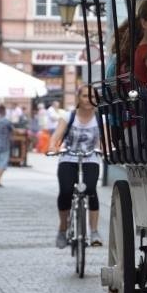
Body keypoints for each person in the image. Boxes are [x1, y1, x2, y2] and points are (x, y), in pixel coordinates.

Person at [49, 85, 103, 248]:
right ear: (79, 98)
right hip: (68, 157)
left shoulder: (101, 118)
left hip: (90, 158)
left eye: (92, 97)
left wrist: (106, 149)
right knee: (65, 191)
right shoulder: (68, 116)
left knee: (91, 190)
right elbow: (56, 136)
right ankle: (63, 228)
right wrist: (53, 147)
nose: (89, 100)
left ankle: (94, 231)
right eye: (85, 96)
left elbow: (105, 139)